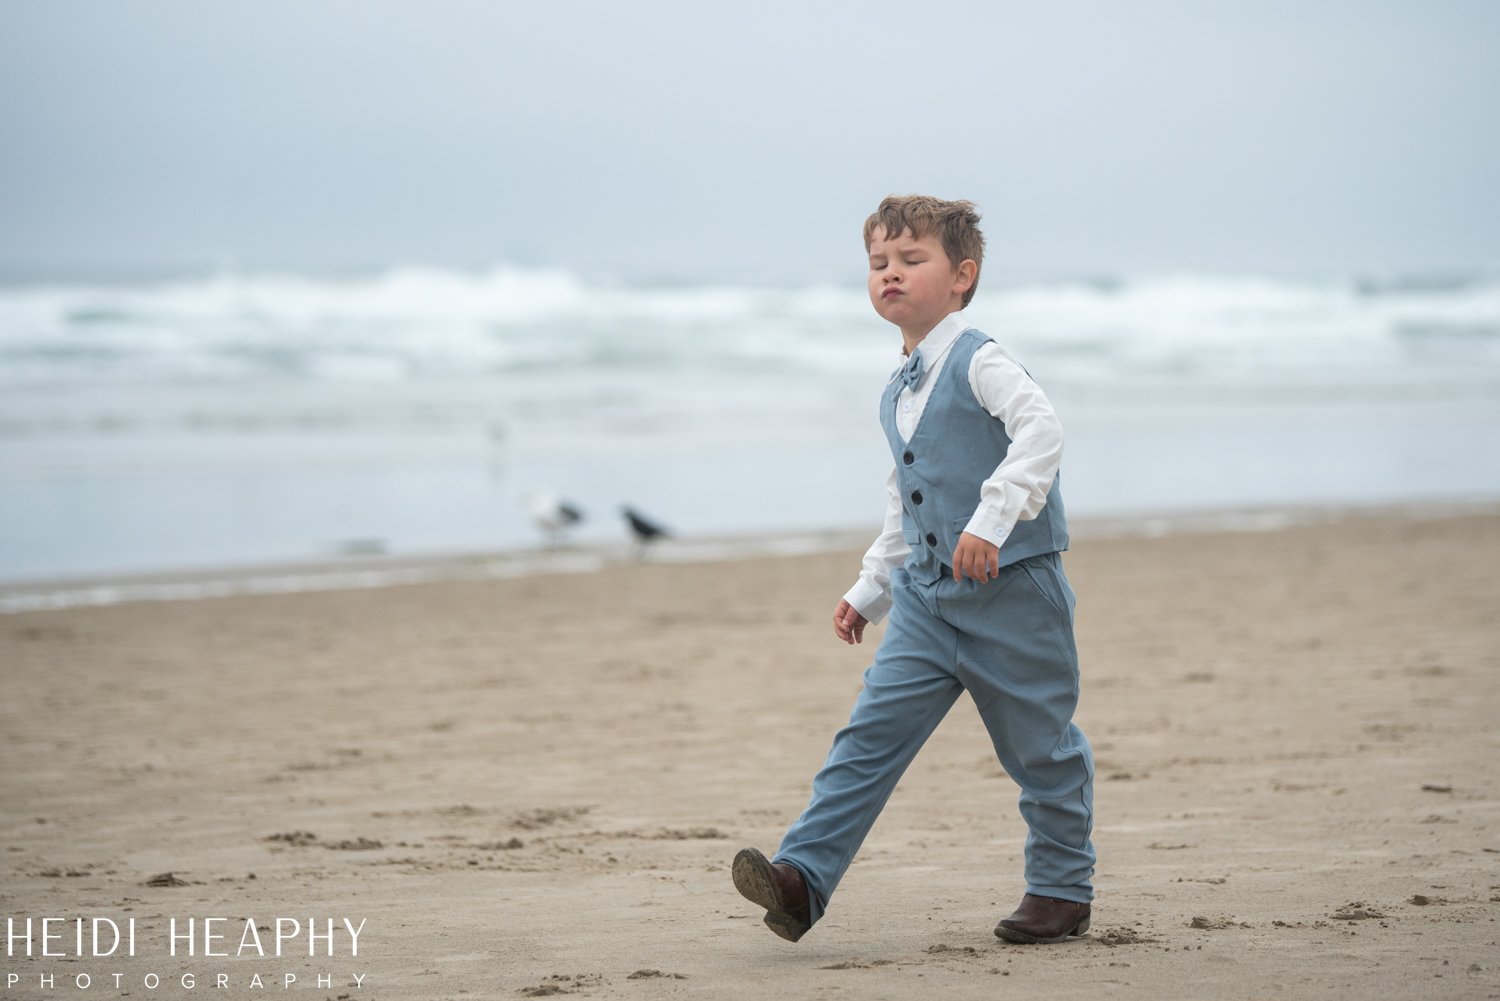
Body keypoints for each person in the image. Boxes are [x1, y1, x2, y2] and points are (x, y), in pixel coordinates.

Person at [733, 194, 1096, 946]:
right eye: (877, 263)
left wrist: (991, 519)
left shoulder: (982, 360)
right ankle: (801, 880)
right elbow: (905, 500)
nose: (889, 274)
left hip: (1013, 595)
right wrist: (869, 589)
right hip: (925, 605)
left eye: (910, 259)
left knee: (1041, 748)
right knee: (865, 739)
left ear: (961, 276)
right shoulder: (897, 389)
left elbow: (1042, 431)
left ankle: (1061, 888)